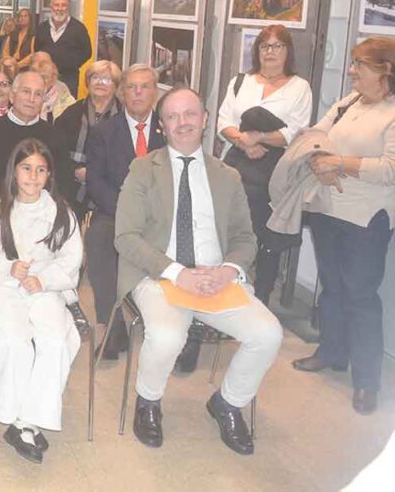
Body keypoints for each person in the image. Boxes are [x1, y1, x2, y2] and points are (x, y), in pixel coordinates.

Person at [115, 86, 282, 455]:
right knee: (166, 335)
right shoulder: (143, 169)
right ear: (161, 126)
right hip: (159, 276)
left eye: (190, 114)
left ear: (205, 119)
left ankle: (228, 402)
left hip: (216, 278)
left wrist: (228, 269)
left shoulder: (227, 175)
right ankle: (148, 402)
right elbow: (126, 237)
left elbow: (244, 237)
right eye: (172, 116)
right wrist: (177, 272)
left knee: (268, 333)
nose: (182, 122)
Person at [292, 37, 395, 415]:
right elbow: (313, 136)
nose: (351, 71)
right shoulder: (348, 103)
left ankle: (367, 380)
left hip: (366, 218)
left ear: (385, 70)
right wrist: (319, 159)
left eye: (360, 65)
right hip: (327, 208)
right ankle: (331, 351)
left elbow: (390, 169)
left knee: (362, 295)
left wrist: (340, 163)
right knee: (332, 286)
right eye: (352, 63)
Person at [0, 138, 82, 463]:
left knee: (56, 340)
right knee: (15, 341)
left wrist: (43, 279)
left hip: (45, 289)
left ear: (49, 175)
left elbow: (72, 259)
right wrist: (8, 268)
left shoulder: (61, 212)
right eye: (26, 169)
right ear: (14, 172)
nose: (33, 177)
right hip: (5, 287)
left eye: (41, 170)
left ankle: (24, 422)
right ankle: (20, 419)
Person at [216, 25, 312, 305]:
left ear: (287, 51)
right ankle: (223, 294)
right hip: (236, 164)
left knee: (266, 236)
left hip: (273, 172)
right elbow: (224, 121)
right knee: (229, 230)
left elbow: (296, 131)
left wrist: (260, 137)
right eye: (264, 46)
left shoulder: (299, 88)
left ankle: (260, 299)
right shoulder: (240, 81)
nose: (270, 52)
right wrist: (244, 142)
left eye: (276, 46)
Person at [84, 64, 165, 361]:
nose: (139, 92)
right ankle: (112, 322)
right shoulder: (104, 131)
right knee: (97, 239)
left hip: (160, 217)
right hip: (114, 212)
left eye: (145, 86)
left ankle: (185, 331)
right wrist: (126, 214)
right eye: (132, 87)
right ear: (122, 93)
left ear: (155, 92)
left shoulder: (169, 129)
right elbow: (95, 181)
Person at [0, 71, 58, 217]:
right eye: (26, 92)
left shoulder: (53, 136)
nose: (31, 99)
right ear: (12, 96)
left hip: (43, 214)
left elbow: (63, 184)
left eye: (38, 94)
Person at [53, 60, 121, 217]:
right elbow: (56, 153)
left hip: (112, 195)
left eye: (107, 79)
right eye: (95, 78)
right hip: (71, 191)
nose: (100, 83)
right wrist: (75, 171)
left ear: (116, 85)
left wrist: (96, 176)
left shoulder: (124, 117)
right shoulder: (70, 115)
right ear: (87, 82)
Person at [34, 0, 92, 98]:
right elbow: (37, 49)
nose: (60, 9)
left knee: (67, 110)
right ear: (51, 7)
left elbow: (87, 52)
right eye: (57, 5)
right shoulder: (42, 28)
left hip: (69, 79)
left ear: (68, 7)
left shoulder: (79, 28)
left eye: (63, 5)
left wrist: (71, 64)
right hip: (45, 78)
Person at [30, 51, 75, 123]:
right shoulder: (25, 91)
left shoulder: (62, 90)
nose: (41, 67)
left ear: (54, 69)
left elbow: (72, 116)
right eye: (38, 63)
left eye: (44, 63)